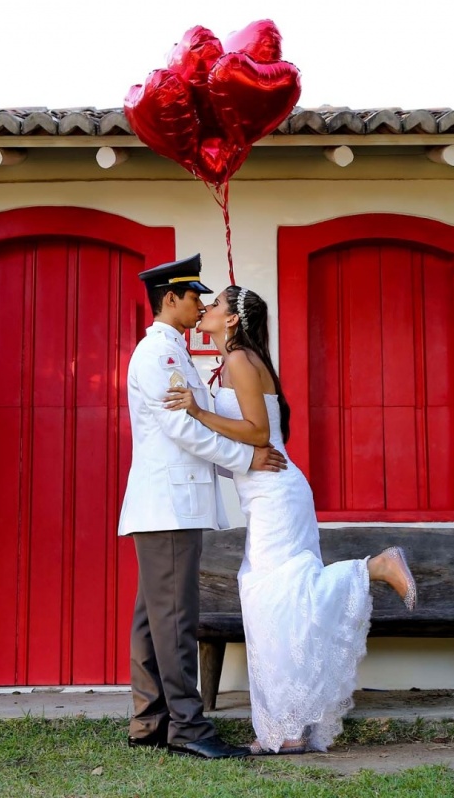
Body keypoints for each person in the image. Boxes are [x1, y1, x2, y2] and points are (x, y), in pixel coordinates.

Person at [164, 284, 418, 755]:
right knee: (280, 604)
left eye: (215, 304)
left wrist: (197, 411)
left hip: (276, 495)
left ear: (232, 319)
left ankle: (373, 567)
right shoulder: (236, 361)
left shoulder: (240, 360)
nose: (206, 309)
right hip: (268, 493)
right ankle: (290, 727)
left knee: (275, 598)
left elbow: (259, 432)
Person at [118, 255, 288, 760]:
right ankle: (188, 728)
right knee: (175, 620)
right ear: (170, 298)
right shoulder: (159, 354)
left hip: (170, 504)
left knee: (153, 618)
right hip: (169, 506)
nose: (200, 305)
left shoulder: (172, 350)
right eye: (195, 296)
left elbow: (196, 423)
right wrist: (248, 459)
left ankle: (150, 721)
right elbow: (183, 429)